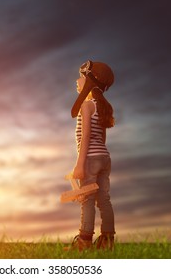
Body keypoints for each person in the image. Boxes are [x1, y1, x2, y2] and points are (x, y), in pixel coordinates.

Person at [69, 60, 115, 251]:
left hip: (90, 158)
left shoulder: (87, 106)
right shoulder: (103, 106)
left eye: (81, 76)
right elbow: (101, 137)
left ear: (90, 81)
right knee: (104, 199)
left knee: (87, 199)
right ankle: (107, 240)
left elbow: (86, 136)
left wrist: (80, 165)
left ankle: (84, 241)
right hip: (105, 158)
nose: (77, 80)